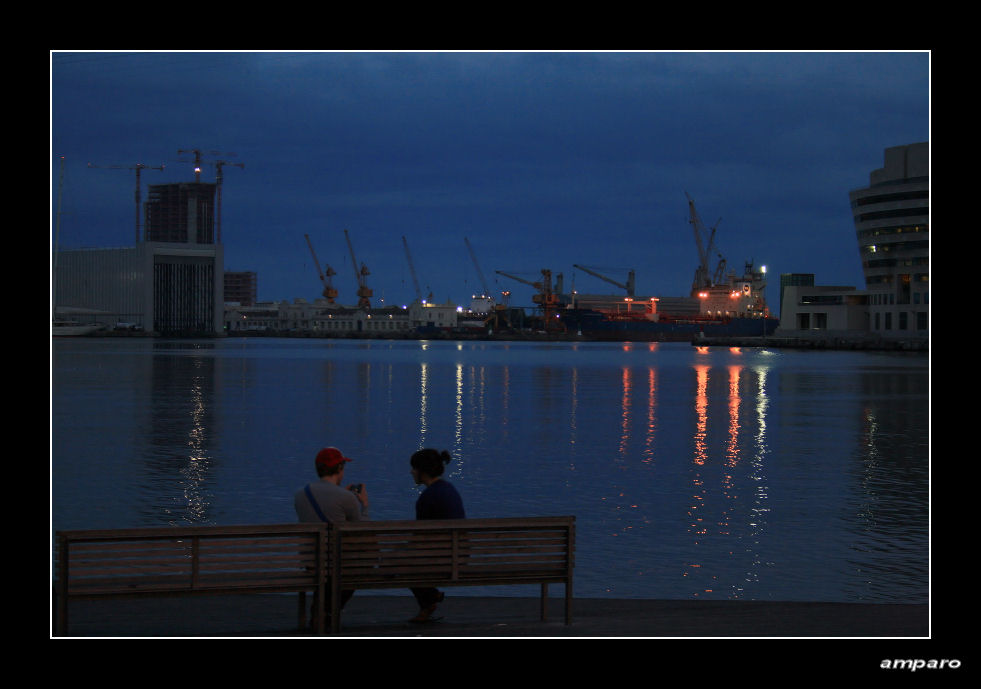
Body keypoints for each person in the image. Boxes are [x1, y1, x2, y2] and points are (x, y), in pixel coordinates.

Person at [294, 446, 369, 626]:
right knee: (359, 565)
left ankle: (321, 611)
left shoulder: (300, 495)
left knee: (331, 564)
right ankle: (328, 611)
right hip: (336, 564)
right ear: (339, 469)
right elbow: (361, 531)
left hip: (311, 562)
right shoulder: (347, 498)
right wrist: (364, 505)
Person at [408, 448, 465, 623]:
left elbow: (420, 537)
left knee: (399, 563)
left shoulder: (428, 497)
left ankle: (429, 599)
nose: (411, 472)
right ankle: (430, 597)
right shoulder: (449, 489)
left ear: (422, 471)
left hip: (443, 557)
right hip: (460, 553)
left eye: (414, 468)